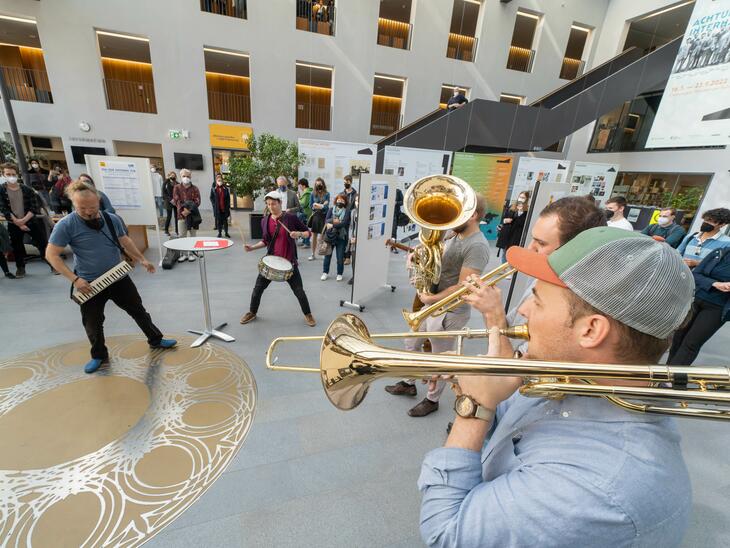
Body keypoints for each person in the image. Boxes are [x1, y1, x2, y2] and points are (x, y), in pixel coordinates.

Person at [419, 227, 695, 547]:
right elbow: (503, 431)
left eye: (536, 299)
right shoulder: (571, 377)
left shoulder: (596, 488)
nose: (522, 310)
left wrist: (474, 406)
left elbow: (445, 533)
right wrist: (492, 384)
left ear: (591, 330)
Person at [45, 181, 177, 374]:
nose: (89, 212)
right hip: (88, 283)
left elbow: (125, 241)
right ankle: (98, 355)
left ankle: (155, 339)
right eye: (82, 208)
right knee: (92, 322)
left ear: (99, 202)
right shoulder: (66, 225)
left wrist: (142, 259)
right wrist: (74, 279)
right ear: (74, 205)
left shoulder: (111, 219)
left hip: (117, 276)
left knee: (138, 310)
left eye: (92, 207)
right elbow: (51, 255)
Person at [385, 195, 490, 417]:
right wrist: (418, 259)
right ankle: (409, 382)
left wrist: (431, 299)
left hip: (450, 311)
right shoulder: (455, 234)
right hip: (433, 304)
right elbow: (438, 260)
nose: (453, 219)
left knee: (439, 357)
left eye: (460, 213)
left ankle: (432, 400)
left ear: (473, 215)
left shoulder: (477, 245)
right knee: (411, 341)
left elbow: (465, 286)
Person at [240, 191, 316, 327]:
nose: (271, 207)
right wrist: (252, 248)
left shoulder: (290, 218)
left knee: (299, 291)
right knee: (257, 289)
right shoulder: (265, 220)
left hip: (289, 262)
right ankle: (252, 312)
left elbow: (308, 232)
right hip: (271, 262)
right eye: (268, 204)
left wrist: (298, 233)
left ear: (280, 203)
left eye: (274, 204)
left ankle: (308, 314)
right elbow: (265, 241)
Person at [668, 246, 730, 365]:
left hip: (718, 308)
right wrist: (715, 283)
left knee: (691, 343)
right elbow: (696, 274)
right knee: (678, 338)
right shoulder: (720, 251)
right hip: (695, 299)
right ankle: (667, 374)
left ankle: (672, 380)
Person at [0, 162, 52, 278]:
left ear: (17, 174)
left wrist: (23, 220)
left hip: (30, 221)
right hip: (13, 223)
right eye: (8, 174)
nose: (11, 176)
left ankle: (52, 264)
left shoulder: (27, 189)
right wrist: (17, 222)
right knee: (17, 247)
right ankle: (20, 268)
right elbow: (4, 208)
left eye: (13, 174)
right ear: (3, 174)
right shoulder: (1, 191)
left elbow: (34, 207)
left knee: (42, 243)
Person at [172, 169, 201, 260]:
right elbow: (176, 200)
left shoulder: (195, 188)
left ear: (190, 177)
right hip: (181, 216)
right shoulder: (177, 187)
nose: (186, 178)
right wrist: (183, 210)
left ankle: (192, 254)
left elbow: (197, 201)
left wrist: (188, 210)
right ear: (181, 176)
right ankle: (184, 254)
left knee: (192, 235)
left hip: (192, 216)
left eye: (188, 176)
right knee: (182, 235)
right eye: (184, 176)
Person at [321, 194, 351, 282]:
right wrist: (336, 221)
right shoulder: (331, 209)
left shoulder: (347, 211)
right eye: (339, 200)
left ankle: (339, 274)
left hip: (341, 237)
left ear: (345, 202)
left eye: (342, 201)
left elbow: (344, 223)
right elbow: (326, 220)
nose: (340, 202)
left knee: (340, 257)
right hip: (330, 236)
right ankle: (325, 272)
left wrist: (332, 223)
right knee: (327, 255)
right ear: (336, 200)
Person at [496, 190, 529, 262]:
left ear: (527, 199)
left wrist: (520, 212)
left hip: (516, 235)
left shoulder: (527, 210)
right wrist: (505, 221)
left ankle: (509, 268)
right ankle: (502, 269)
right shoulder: (512, 206)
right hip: (507, 233)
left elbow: (523, 223)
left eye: (523, 198)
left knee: (512, 252)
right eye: (520, 197)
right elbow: (504, 217)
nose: (521, 199)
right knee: (504, 252)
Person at [308, 177, 330, 260]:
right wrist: (321, 205)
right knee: (314, 236)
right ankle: (313, 254)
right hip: (316, 216)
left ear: (323, 184)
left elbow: (327, 207)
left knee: (323, 236)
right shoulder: (312, 194)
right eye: (317, 184)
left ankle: (323, 252)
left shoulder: (327, 194)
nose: (319, 185)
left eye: (320, 184)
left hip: (324, 216)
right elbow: (311, 206)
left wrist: (319, 206)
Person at [210, 173, 231, 238]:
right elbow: (211, 197)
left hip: (224, 208)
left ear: (222, 180)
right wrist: (214, 205)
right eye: (218, 179)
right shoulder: (213, 189)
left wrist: (227, 206)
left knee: (225, 222)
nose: (219, 180)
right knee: (219, 221)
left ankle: (226, 232)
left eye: (220, 179)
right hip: (217, 208)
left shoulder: (225, 189)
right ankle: (219, 233)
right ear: (216, 180)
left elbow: (228, 198)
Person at [297, 178, 312, 247]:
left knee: (305, 228)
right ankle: (304, 241)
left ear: (303, 185)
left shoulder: (307, 193)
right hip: (306, 213)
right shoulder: (307, 192)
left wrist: (298, 199)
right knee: (304, 227)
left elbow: (303, 204)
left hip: (306, 213)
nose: (299, 187)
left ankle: (307, 242)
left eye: (300, 185)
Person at [162, 171, 178, 236]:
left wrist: (176, 200)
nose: (173, 177)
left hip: (176, 202)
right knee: (169, 216)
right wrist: (170, 200)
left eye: (174, 176)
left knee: (177, 217)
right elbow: (164, 193)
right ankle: (166, 230)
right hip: (168, 202)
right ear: (169, 176)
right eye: (171, 175)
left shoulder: (177, 183)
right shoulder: (166, 183)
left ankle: (177, 230)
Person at [390, 187, 404, 254]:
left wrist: (396, 202)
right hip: (384, 215)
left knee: (393, 232)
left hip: (394, 215)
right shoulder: (385, 189)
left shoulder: (398, 191)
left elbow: (403, 202)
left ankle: (393, 246)